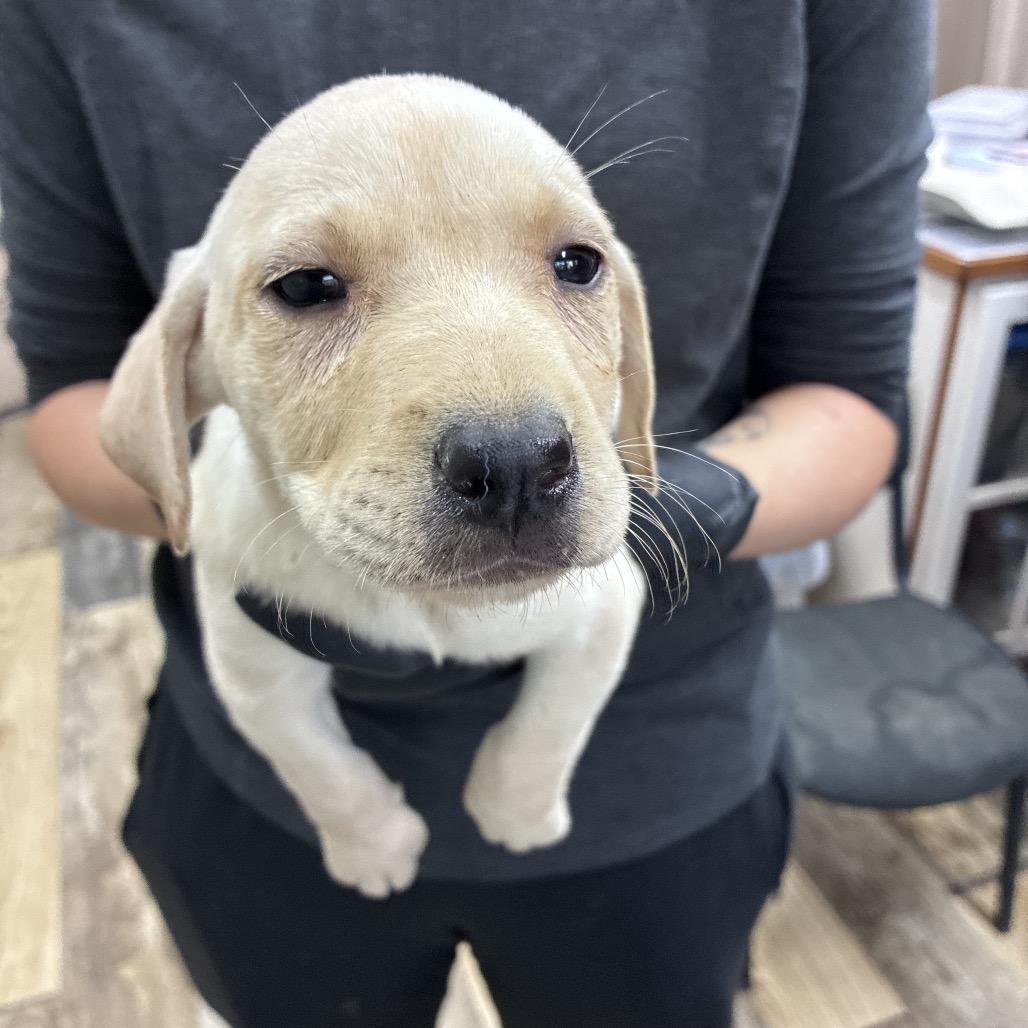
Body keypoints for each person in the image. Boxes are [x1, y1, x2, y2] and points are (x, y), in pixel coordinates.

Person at [0, 2, 932, 1025]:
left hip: (657, 767)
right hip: (258, 810)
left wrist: (674, 508)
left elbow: (849, 389)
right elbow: (78, 393)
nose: (507, 440)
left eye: (570, 265)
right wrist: (215, 532)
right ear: (190, 357)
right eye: (311, 287)